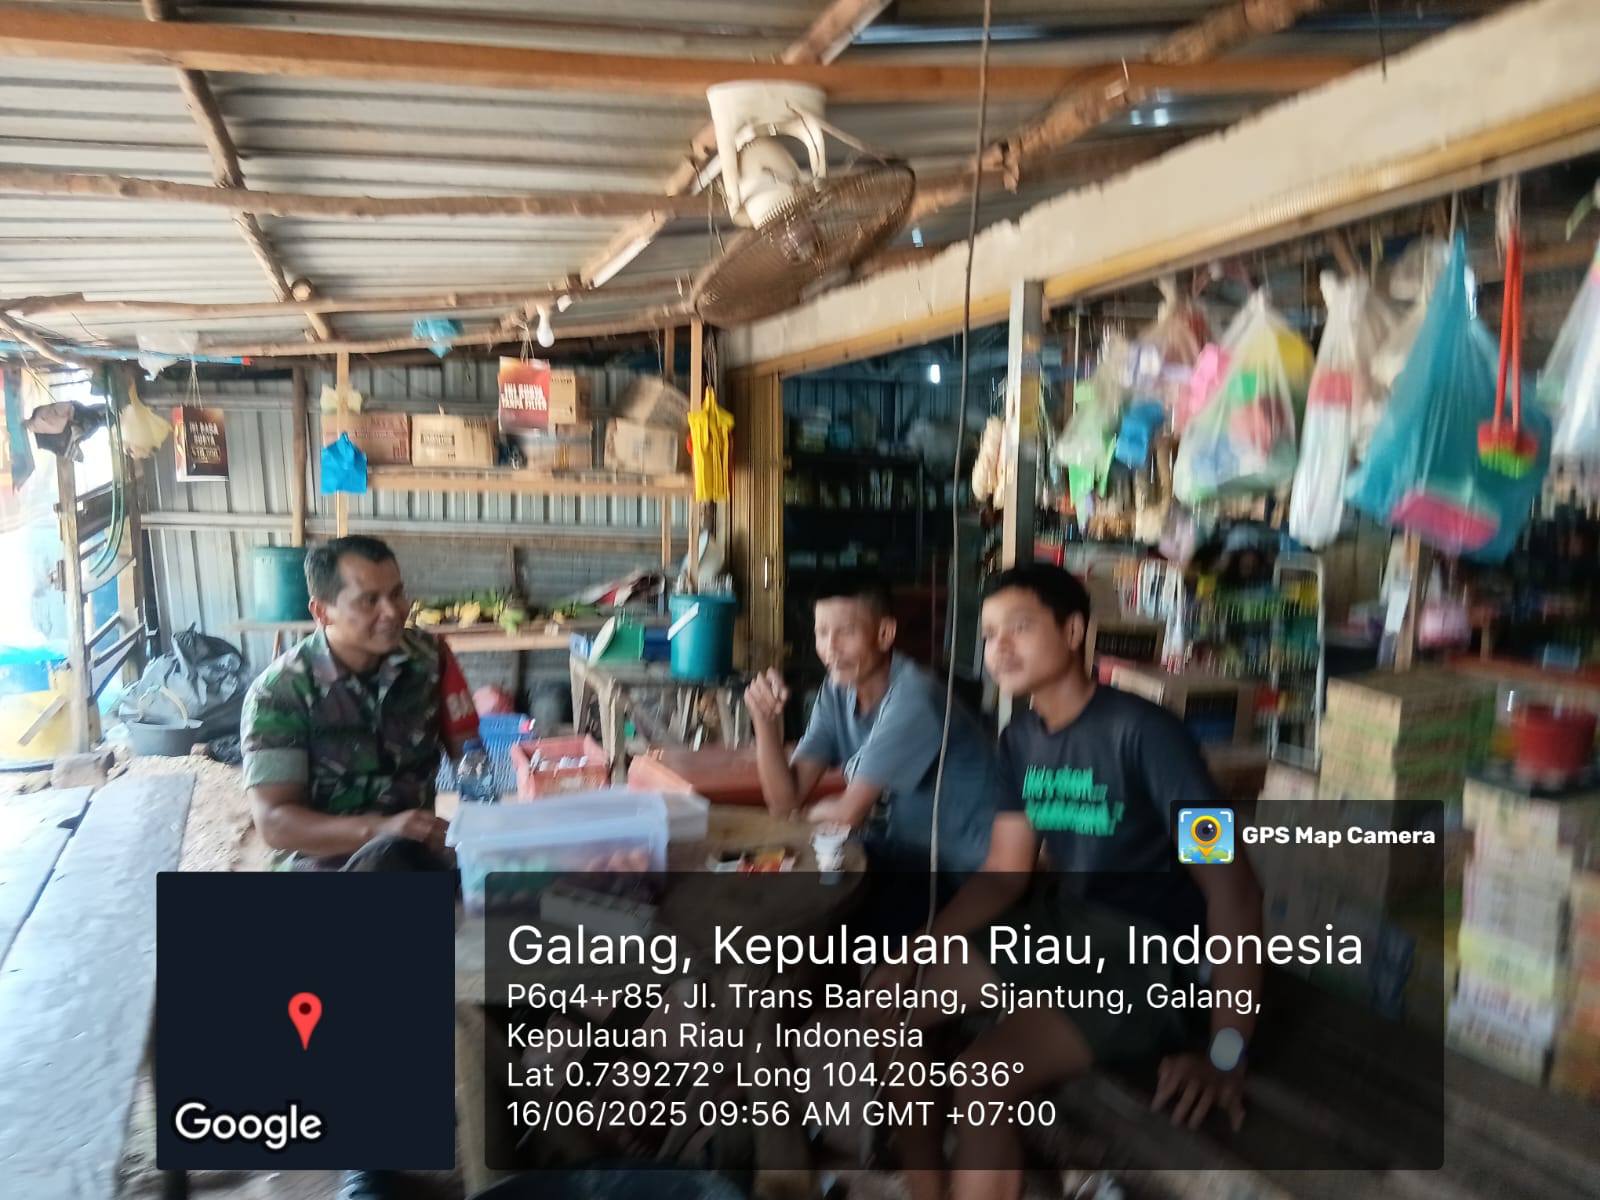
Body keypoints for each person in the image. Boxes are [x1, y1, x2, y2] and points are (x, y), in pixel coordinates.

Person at [871, 564, 1264, 1200]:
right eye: (989, 633)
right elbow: (1005, 875)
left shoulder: (1148, 735)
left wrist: (1227, 1052)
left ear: (1074, 631)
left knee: (982, 1078)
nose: (999, 647)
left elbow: (1235, 889)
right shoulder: (1022, 741)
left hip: (1150, 956)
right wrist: (923, 947)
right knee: (890, 1003)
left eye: (1020, 628)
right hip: (1069, 929)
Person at [242, 535, 480, 875]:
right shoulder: (279, 693)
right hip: (324, 865)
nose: (393, 612)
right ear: (322, 612)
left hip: (414, 857)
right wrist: (382, 829)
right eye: (369, 601)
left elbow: (470, 754)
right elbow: (275, 824)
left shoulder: (429, 659)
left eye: (396, 594)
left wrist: (483, 827)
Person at [743, 568, 996, 882]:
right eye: (821, 633)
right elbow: (785, 801)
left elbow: (843, 820)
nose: (830, 648)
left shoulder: (914, 696)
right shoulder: (837, 691)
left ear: (884, 634)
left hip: (960, 871)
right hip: (902, 854)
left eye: (845, 633)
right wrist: (765, 722)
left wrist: (812, 813)